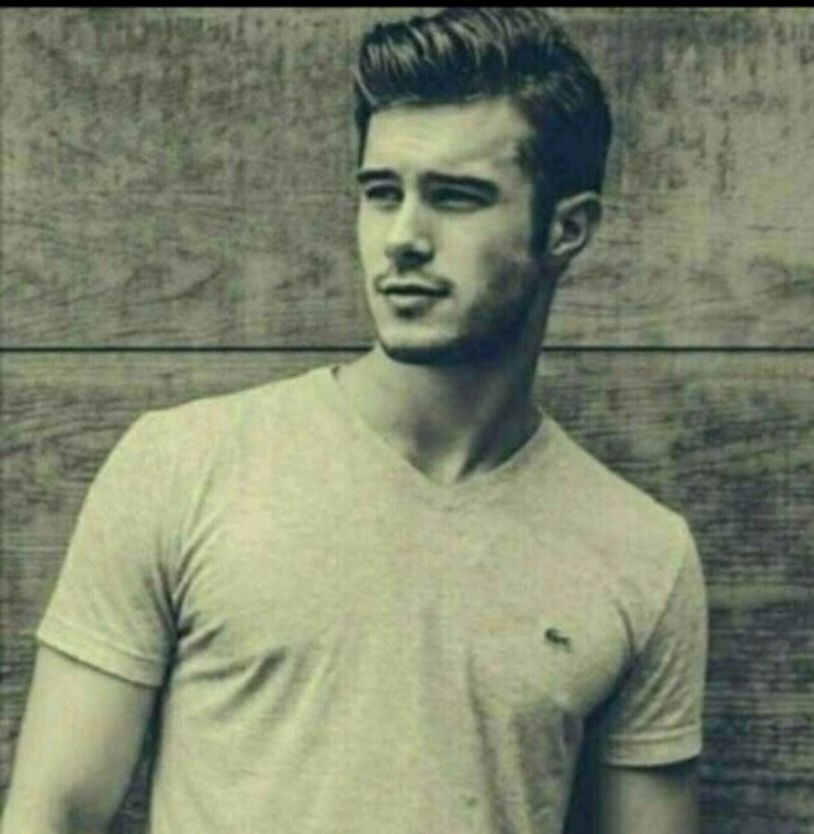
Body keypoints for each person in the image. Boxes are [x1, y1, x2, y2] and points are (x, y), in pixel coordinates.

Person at [2, 8, 707, 834]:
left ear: (566, 228)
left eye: (455, 197)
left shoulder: (641, 554)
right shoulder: (185, 465)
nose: (403, 238)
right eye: (381, 194)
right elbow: (53, 811)